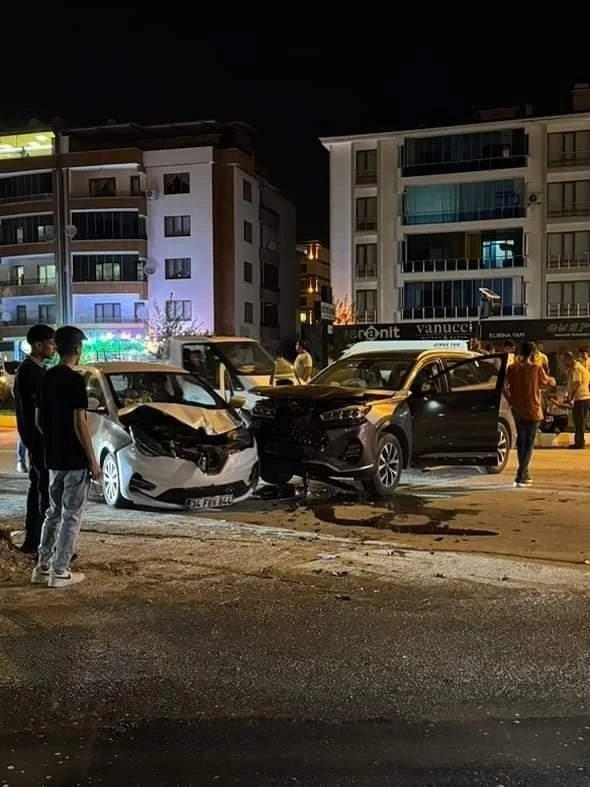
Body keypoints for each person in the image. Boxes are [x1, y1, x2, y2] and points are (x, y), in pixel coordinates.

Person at [32, 326, 101, 588]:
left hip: (54, 458)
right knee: (72, 514)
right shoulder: (75, 380)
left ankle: (43, 566)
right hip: (74, 459)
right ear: (77, 349)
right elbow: (80, 423)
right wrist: (92, 460)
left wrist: (53, 440)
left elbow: (39, 421)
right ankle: (60, 571)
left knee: (53, 513)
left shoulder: (46, 378)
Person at [13, 324, 56, 555]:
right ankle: (40, 542)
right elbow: (39, 409)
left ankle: (35, 540)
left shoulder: (30, 369)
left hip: (32, 438)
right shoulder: (32, 372)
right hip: (38, 439)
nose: (54, 347)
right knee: (43, 490)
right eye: (50, 343)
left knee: (38, 487)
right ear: (38, 345)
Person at [505, 341, 556, 487]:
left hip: (517, 409)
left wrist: (510, 400)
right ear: (533, 353)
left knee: (521, 441)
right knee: (528, 442)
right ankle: (522, 473)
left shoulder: (512, 368)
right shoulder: (536, 368)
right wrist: (552, 380)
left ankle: (522, 472)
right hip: (533, 409)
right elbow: (547, 382)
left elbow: (505, 386)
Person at [562, 352, 590, 450]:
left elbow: (577, 384)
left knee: (579, 421)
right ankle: (578, 441)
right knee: (578, 421)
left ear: (569, 359)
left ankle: (579, 442)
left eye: (565, 360)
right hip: (583, 397)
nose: (564, 362)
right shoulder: (577, 367)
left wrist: (572, 398)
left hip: (580, 398)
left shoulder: (576, 368)